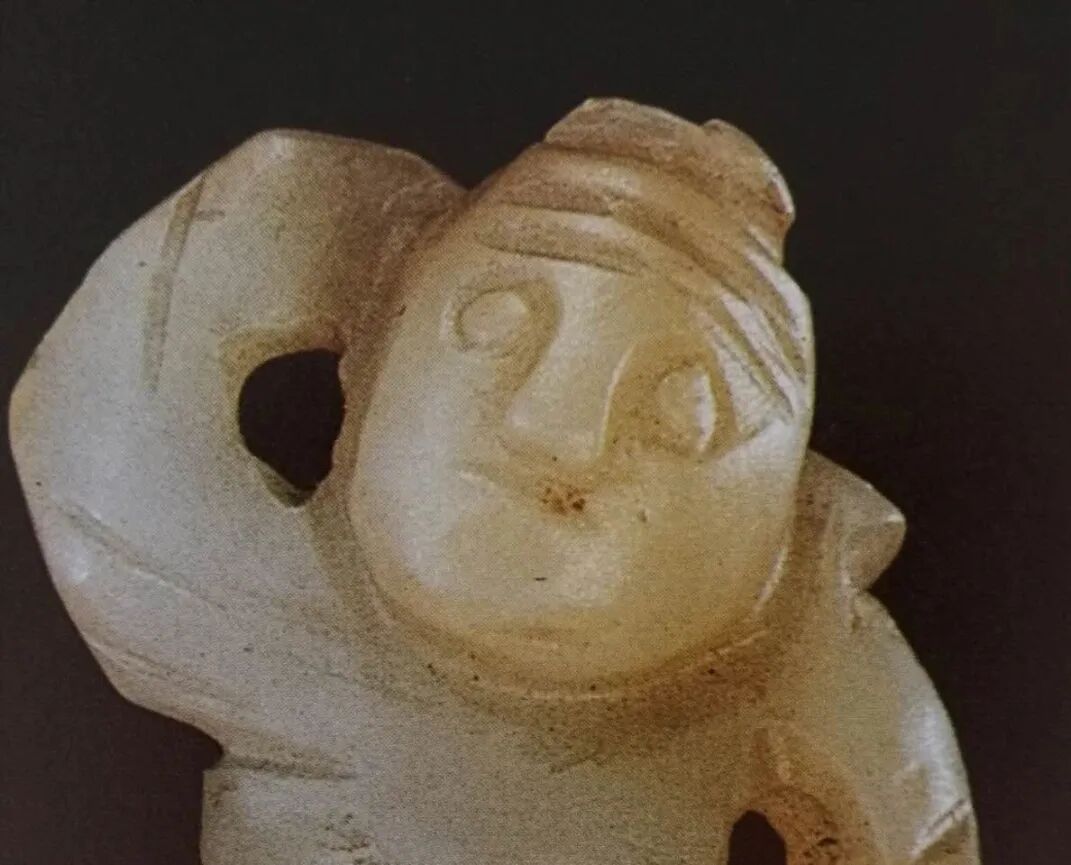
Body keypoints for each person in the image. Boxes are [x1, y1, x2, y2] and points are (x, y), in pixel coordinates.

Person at [12, 99, 979, 864]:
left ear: (787, 522)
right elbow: (121, 384)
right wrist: (329, 211)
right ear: (371, 360)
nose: (556, 437)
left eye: (684, 408)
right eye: (494, 325)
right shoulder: (254, 610)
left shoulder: (806, 667)